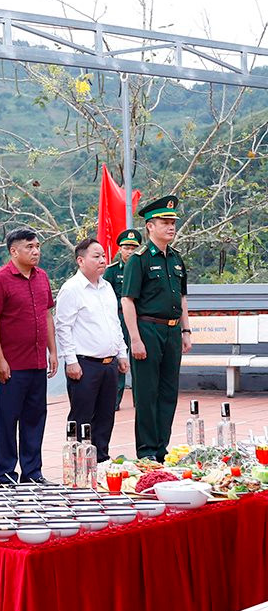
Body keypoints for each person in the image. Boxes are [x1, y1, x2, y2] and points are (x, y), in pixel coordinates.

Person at [121, 196, 191, 462]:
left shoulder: (175, 258)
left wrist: (186, 331)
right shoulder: (138, 259)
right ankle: (147, 452)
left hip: (172, 332)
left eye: (173, 222)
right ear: (150, 226)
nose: (171, 227)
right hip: (148, 330)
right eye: (165, 222)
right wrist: (135, 339)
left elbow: (182, 299)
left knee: (168, 392)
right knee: (147, 394)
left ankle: (162, 450)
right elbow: (127, 300)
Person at [0, 229, 57, 486]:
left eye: (37, 246)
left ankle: (32, 472)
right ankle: (5, 474)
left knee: (35, 418)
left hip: (38, 361)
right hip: (12, 365)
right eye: (29, 247)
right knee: (7, 420)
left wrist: (53, 351)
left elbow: (47, 315)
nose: (36, 251)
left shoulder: (42, 277)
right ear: (14, 251)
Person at [55, 238, 129, 463]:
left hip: (109, 363)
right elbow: (63, 326)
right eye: (96, 256)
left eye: (104, 256)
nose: (102, 260)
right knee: (82, 416)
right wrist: (70, 360)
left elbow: (114, 323)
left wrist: (122, 353)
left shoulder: (106, 287)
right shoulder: (72, 289)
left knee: (106, 416)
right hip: (84, 363)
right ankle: (77, 462)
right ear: (80, 260)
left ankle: (102, 460)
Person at [104, 228, 142, 410]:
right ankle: (114, 401)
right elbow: (104, 297)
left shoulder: (143, 267)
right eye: (126, 247)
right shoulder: (111, 272)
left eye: (133, 248)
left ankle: (139, 400)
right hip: (118, 318)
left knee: (139, 360)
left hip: (138, 319)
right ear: (120, 249)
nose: (130, 251)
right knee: (118, 359)